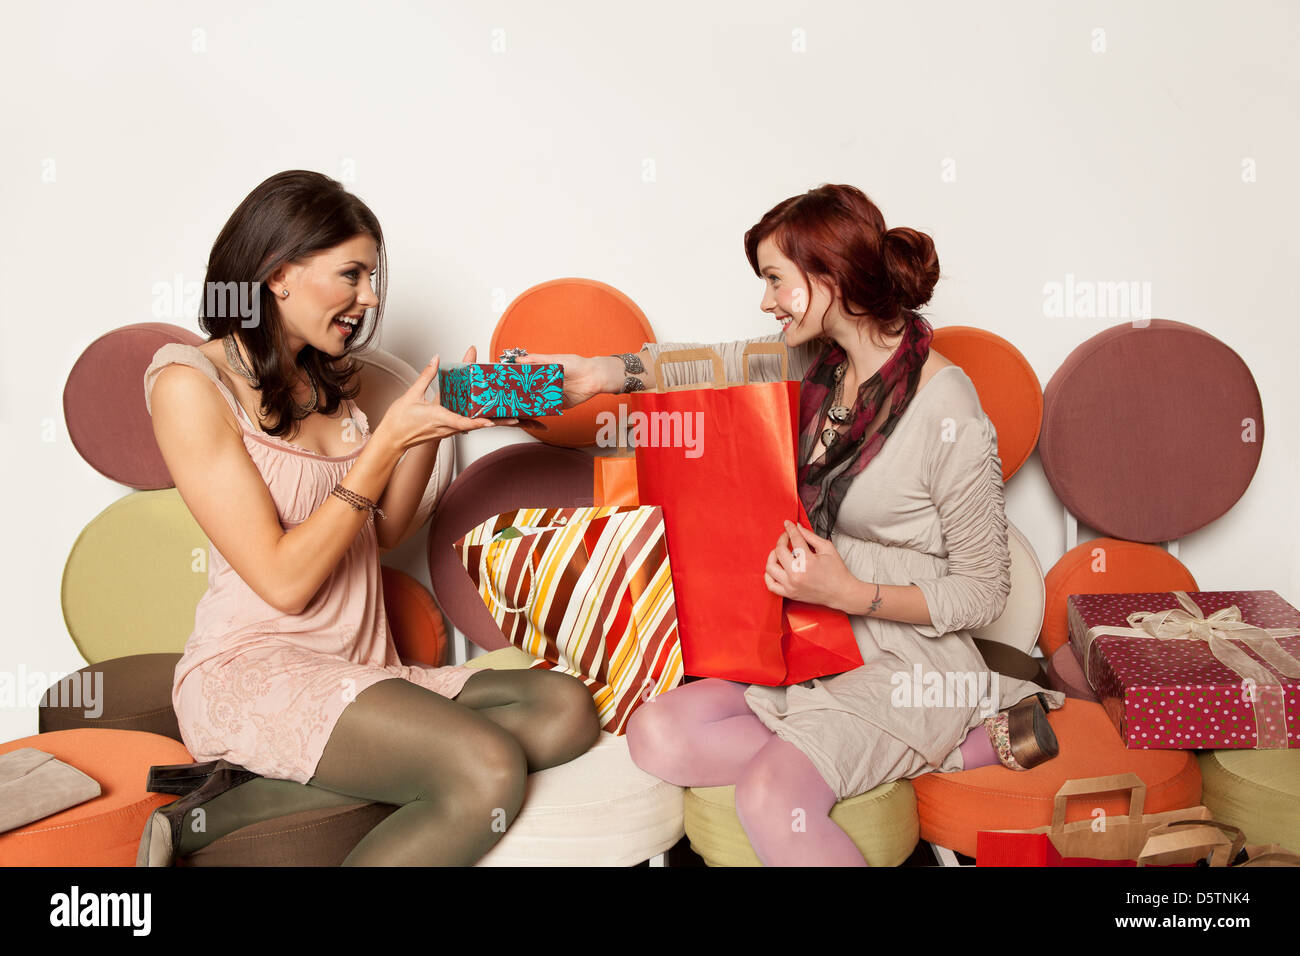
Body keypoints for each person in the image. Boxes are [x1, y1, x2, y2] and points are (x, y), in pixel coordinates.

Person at [524, 184, 1063, 866]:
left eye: (776, 280)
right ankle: (951, 749)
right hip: (814, 639)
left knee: (772, 792)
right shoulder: (819, 363)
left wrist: (850, 593)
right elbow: (712, 365)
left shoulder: (947, 406)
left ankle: (924, 732)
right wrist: (604, 372)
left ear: (829, 277)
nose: (766, 300)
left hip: (909, 660)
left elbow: (983, 593)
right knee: (656, 735)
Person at [138, 170, 600, 867]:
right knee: (484, 768)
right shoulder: (188, 385)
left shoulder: (330, 378)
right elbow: (285, 581)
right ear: (279, 273)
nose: (371, 298)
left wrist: (429, 432)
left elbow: (376, 536)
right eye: (352, 274)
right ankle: (219, 806)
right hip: (254, 667)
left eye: (373, 277)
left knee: (566, 709)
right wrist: (383, 442)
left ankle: (226, 806)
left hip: (360, 668)